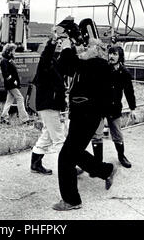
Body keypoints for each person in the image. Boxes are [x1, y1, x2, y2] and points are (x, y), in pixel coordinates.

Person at [53, 38, 117, 211]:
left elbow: (69, 62)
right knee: (75, 153)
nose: (83, 48)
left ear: (97, 50)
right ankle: (106, 170)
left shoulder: (98, 64)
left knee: (65, 157)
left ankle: (72, 200)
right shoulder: (90, 64)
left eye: (88, 46)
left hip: (87, 116)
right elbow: (63, 67)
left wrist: (66, 46)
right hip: (83, 115)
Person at [91, 45, 136, 168]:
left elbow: (129, 91)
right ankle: (97, 163)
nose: (111, 56)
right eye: (110, 53)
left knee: (117, 134)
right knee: (96, 135)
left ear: (120, 56)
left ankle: (121, 156)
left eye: (115, 54)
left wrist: (132, 108)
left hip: (114, 107)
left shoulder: (124, 72)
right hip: (99, 107)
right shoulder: (102, 68)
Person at [30, 32, 68, 175]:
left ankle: (35, 164)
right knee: (59, 138)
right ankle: (69, 167)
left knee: (47, 135)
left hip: (51, 105)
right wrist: (52, 42)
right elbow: (46, 56)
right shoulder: (45, 63)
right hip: (48, 105)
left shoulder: (54, 64)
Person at [0, 43, 30, 125]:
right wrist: (13, 81)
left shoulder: (8, 61)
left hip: (11, 84)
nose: (15, 52)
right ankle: (24, 119)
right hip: (11, 84)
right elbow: (6, 74)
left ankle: (3, 117)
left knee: (9, 101)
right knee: (20, 98)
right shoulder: (4, 61)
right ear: (9, 51)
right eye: (13, 51)